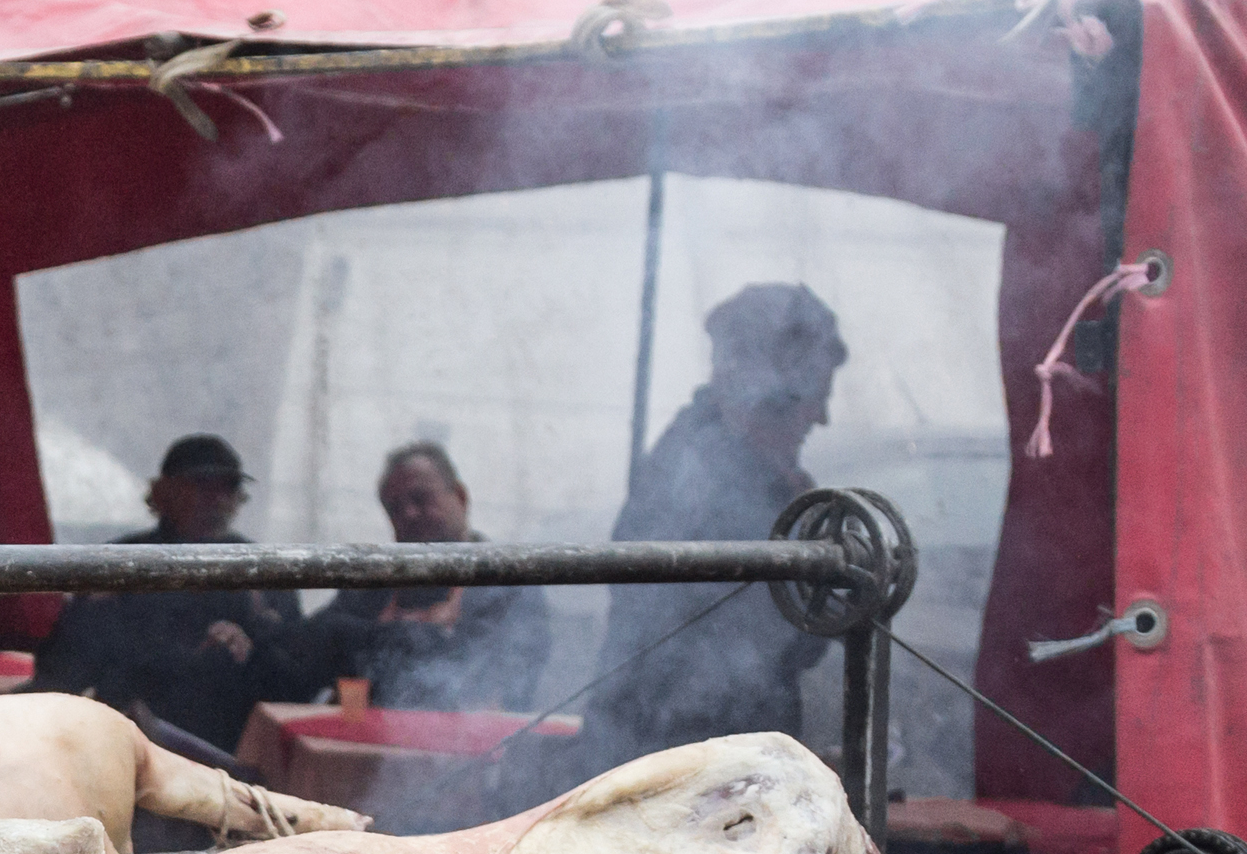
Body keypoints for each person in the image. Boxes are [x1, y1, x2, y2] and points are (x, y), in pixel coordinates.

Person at [586, 282, 849, 763]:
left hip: (716, 749)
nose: (823, 417)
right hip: (677, 756)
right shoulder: (696, 472)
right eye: (815, 394)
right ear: (773, 387)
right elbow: (748, 646)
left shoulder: (747, 472)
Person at [30, 434, 303, 755]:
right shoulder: (120, 563)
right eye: (201, 486)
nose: (216, 499)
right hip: (125, 742)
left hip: (228, 751)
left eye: (227, 487)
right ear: (162, 493)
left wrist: (251, 642)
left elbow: (291, 689)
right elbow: (64, 670)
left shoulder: (262, 571)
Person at [286, 441, 552, 711]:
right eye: (394, 509)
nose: (408, 514)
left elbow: (497, 675)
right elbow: (312, 643)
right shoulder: (376, 581)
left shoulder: (508, 581)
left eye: (420, 499)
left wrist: (374, 641)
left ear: (460, 496)